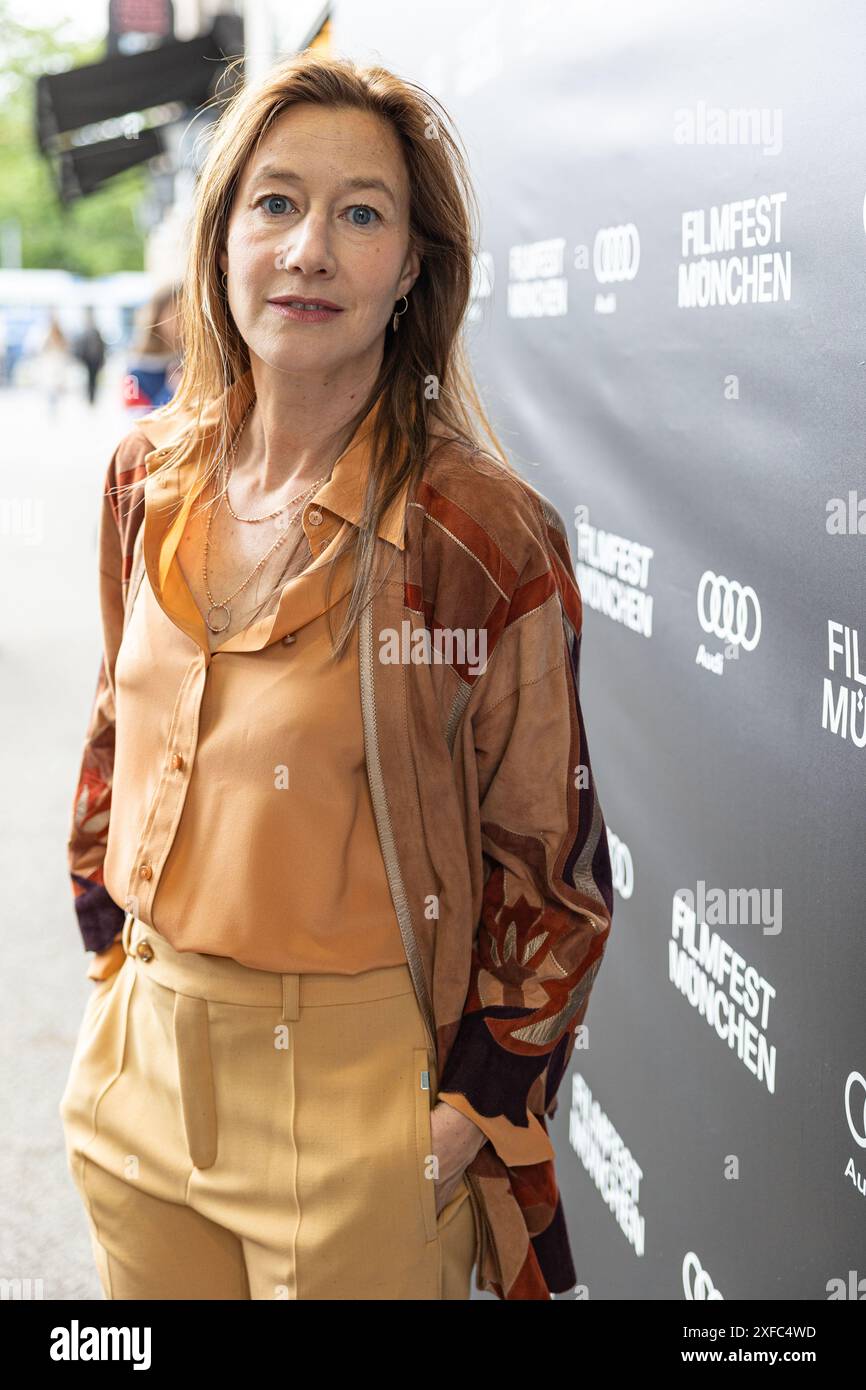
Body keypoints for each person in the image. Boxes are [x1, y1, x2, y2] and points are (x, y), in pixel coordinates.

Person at [60, 52, 614, 1301]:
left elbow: (553, 862)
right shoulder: (142, 477)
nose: (309, 248)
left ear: (411, 266)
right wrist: (111, 952)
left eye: (360, 213)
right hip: (143, 1067)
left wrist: (465, 1114)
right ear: (221, 236)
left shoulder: (480, 531)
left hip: (357, 1095)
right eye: (276, 202)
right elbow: (118, 721)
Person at [122, 284, 182, 412]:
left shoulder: (194, 360)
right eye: (175, 312)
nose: (182, 320)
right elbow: (135, 419)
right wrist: (171, 390)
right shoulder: (135, 369)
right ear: (157, 316)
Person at [73, 307, 106, 406]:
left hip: (95, 360)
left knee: (93, 380)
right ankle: (89, 397)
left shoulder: (96, 332)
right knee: (88, 379)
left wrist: (102, 359)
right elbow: (80, 347)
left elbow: (102, 347)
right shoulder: (83, 332)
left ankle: (92, 398)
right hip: (87, 360)